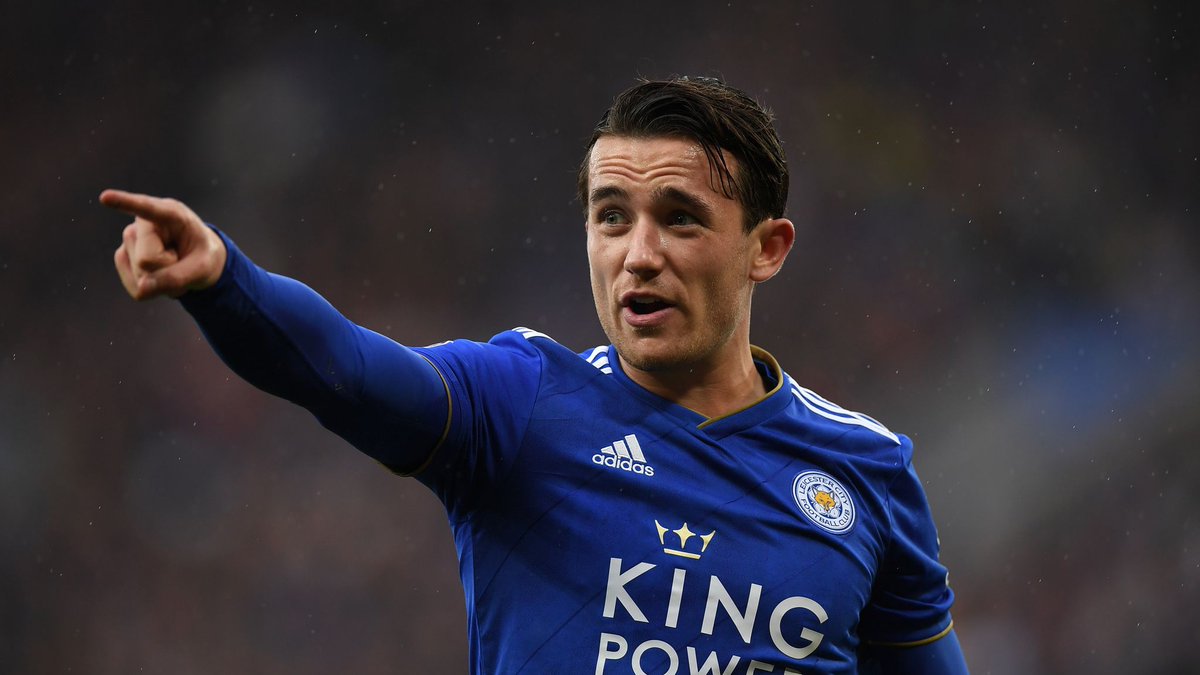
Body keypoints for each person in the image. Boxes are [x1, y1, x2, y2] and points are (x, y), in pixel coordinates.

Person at [103, 77, 969, 674]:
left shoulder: (867, 470)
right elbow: (347, 370)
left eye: (680, 219)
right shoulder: (523, 402)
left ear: (766, 248)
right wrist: (226, 282)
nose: (638, 254)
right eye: (611, 217)